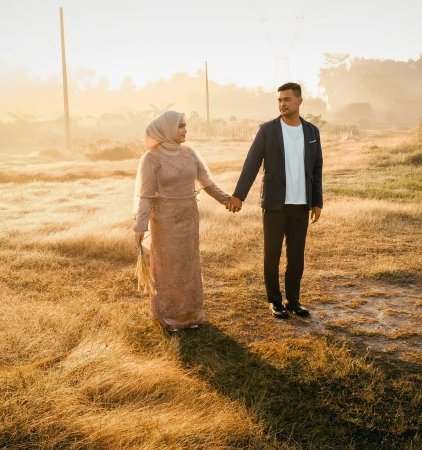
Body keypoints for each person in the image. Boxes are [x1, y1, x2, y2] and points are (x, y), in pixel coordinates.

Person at [227, 82, 323, 319]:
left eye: (287, 99)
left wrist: (317, 201)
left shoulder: (312, 132)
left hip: (301, 203)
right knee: (272, 254)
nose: (282, 104)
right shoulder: (267, 130)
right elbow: (251, 163)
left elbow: (317, 168)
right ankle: (275, 301)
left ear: (299, 101)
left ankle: (293, 301)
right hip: (274, 203)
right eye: (279, 100)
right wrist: (239, 195)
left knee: (296, 255)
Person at [133, 110, 230, 331]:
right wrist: (140, 225)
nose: (185, 130)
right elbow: (146, 196)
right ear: (166, 129)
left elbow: (207, 184)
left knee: (189, 265)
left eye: (185, 126)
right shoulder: (151, 158)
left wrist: (228, 200)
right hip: (165, 222)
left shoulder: (190, 153)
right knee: (169, 268)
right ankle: (170, 317)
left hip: (189, 218)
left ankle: (192, 315)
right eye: (181, 126)